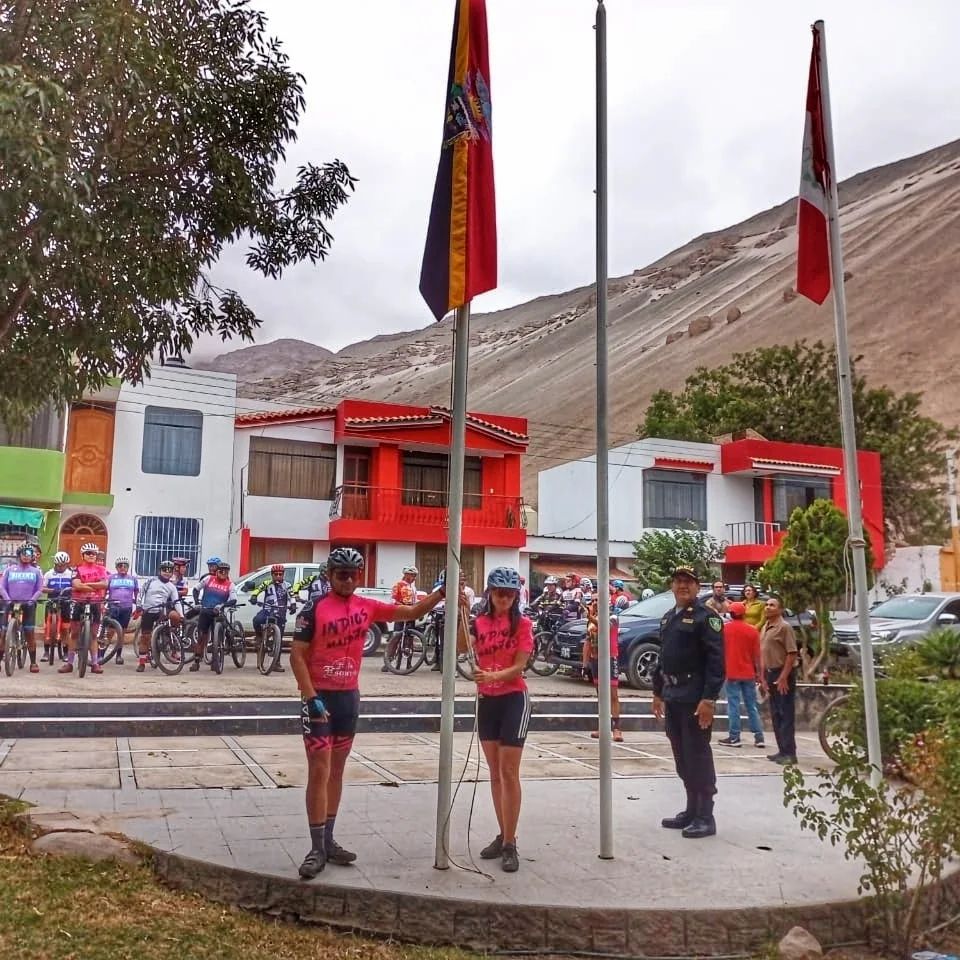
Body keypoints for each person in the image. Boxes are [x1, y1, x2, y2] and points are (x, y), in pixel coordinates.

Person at [290, 546, 446, 879]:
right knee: (319, 769)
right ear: (330, 576)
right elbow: (297, 656)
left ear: (359, 577)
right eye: (340, 574)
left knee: (336, 771)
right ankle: (316, 847)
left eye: (352, 575)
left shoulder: (367, 606)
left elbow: (409, 612)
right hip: (319, 699)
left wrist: (442, 593)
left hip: (348, 698)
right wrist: (310, 695)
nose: (347, 580)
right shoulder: (314, 608)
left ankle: (329, 840)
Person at [465, 566, 534, 874]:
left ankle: (510, 842)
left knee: (508, 771)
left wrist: (493, 674)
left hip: (513, 699)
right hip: (486, 700)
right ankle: (503, 833)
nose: (504, 599)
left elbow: (520, 666)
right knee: (494, 773)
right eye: (499, 593)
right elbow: (459, 646)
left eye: (509, 594)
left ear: (515, 596)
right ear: (490, 593)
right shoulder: (478, 623)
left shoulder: (523, 624)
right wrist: (458, 611)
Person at [652, 566, 725, 839]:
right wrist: (657, 692)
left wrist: (709, 698)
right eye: (678, 581)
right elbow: (663, 658)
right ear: (672, 586)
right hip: (673, 695)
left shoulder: (707, 619)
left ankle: (706, 815)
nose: (683, 586)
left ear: (697, 587)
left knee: (698, 755)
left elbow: (716, 663)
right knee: (682, 756)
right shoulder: (669, 617)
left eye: (688, 582)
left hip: (695, 697)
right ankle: (691, 809)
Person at [717, 602, 765, 749]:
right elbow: (757, 656)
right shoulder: (752, 631)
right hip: (748, 673)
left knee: (733, 705)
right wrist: (760, 675)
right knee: (752, 706)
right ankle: (759, 737)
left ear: (730, 614)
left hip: (731, 673)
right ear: (744, 613)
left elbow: (720, 651)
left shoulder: (725, 630)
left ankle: (734, 737)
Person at [760, 596, 799, 765]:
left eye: (772, 605)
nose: (768, 607)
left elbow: (792, 653)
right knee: (776, 714)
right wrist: (762, 678)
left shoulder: (784, 627)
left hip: (783, 674)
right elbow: (763, 653)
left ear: (780, 609)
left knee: (786, 714)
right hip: (770, 673)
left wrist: (783, 677)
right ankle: (782, 750)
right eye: (767, 605)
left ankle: (790, 753)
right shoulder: (765, 627)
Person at [62, 543, 110, 674]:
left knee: (94, 635)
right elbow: (76, 585)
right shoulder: (76, 569)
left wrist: (86, 584)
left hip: (96, 603)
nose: (91, 556)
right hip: (79, 602)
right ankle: (70, 663)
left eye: (94, 554)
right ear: (83, 555)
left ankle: (95, 664)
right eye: (88, 553)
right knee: (75, 633)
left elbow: (105, 584)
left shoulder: (101, 569)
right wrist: (95, 586)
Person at [0, 544, 45, 672]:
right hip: (10, 602)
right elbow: (2, 586)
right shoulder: (10, 570)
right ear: (19, 555)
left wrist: (32, 600)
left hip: (28, 604)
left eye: (29, 554)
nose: (26, 556)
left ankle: (33, 662)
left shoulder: (36, 571)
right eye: (24, 554)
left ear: (32, 557)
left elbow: (40, 588)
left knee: (29, 633)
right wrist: (7, 598)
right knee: (3, 633)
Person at [583, 597, 622, 741]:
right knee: (601, 695)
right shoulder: (592, 620)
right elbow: (587, 641)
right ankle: (603, 726)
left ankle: (617, 728)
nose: (595, 603)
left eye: (598, 600)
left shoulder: (613, 616)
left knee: (613, 694)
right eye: (593, 600)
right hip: (596, 659)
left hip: (610, 658)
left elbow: (605, 627)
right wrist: (585, 663)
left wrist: (591, 617)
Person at [135, 561, 183, 672]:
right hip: (149, 611)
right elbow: (141, 593)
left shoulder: (172, 586)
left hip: (162, 612)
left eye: (169, 571)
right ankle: (142, 662)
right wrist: (139, 606)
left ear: (172, 573)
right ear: (159, 571)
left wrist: (181, 616)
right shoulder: (151, 581)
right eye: (164, 570)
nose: (166, 573)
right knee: (145, 637)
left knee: (175, 616)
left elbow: (176, 602)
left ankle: (172, 640)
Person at [190, 561, 236, 671]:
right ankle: (196, 661)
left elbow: (234, 599)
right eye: (221, 571)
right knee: (201, 637)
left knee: (219, 636)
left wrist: (223, 605)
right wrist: (197, 602)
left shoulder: (230, 585)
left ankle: (216, 659)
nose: (223, 573)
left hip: (218, 613)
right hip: (205, 610)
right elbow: (196, 589)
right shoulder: (208, 579)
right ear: (217, 571)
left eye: (226, 571)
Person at [251, 563, 296, 673]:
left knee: (279, 639)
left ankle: (277, 663)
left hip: (280, 612)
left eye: (280, 574)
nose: (278, 576)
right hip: (267, 610)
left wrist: (293, 604)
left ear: (283, 575)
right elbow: (258, 590)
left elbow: (292, 596)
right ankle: (259, 637)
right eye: (276, 574)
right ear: (272, 575)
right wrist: (254, 596)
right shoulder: (267, 583)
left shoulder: (287, 585)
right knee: (256, 620)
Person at [383, 565, 419, 672]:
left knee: (409, 638)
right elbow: (393, 600)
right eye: (412, 575)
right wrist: (401, 606)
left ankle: (409, 663)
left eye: (415, 576)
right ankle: (388, 662)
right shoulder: (398, 585)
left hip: (411, 614)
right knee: (396, 637)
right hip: (400, 613)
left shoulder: (413, 587)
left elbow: (415, 601)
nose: (413, 578)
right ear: (406, 575)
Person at [42, 551, 74, 664]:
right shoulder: (49, 574)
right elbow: (42, 588)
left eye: (63, 565)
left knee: (65, 629)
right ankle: (46, 651)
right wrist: (53, 590)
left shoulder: (71, 574)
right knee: (47, 627)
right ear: (55, 564)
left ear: (66, 564)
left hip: (66, 602)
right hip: (52, 600)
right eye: (58, 565)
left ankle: (65, 652)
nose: (60, 567)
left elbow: (75, 587)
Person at [106, 557, 139, 666]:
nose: (123, 568)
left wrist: (138, 607)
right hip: (113, 607)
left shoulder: (133, 579)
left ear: (128, 567)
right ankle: (101, 655)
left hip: (127, 608)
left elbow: (137, 593)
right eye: (120, 565)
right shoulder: (111, 577)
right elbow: (104, 591)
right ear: (116, 567)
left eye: (125, 566)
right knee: (110, 632)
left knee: (122, 633)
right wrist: (103, 604)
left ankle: (118, 656)